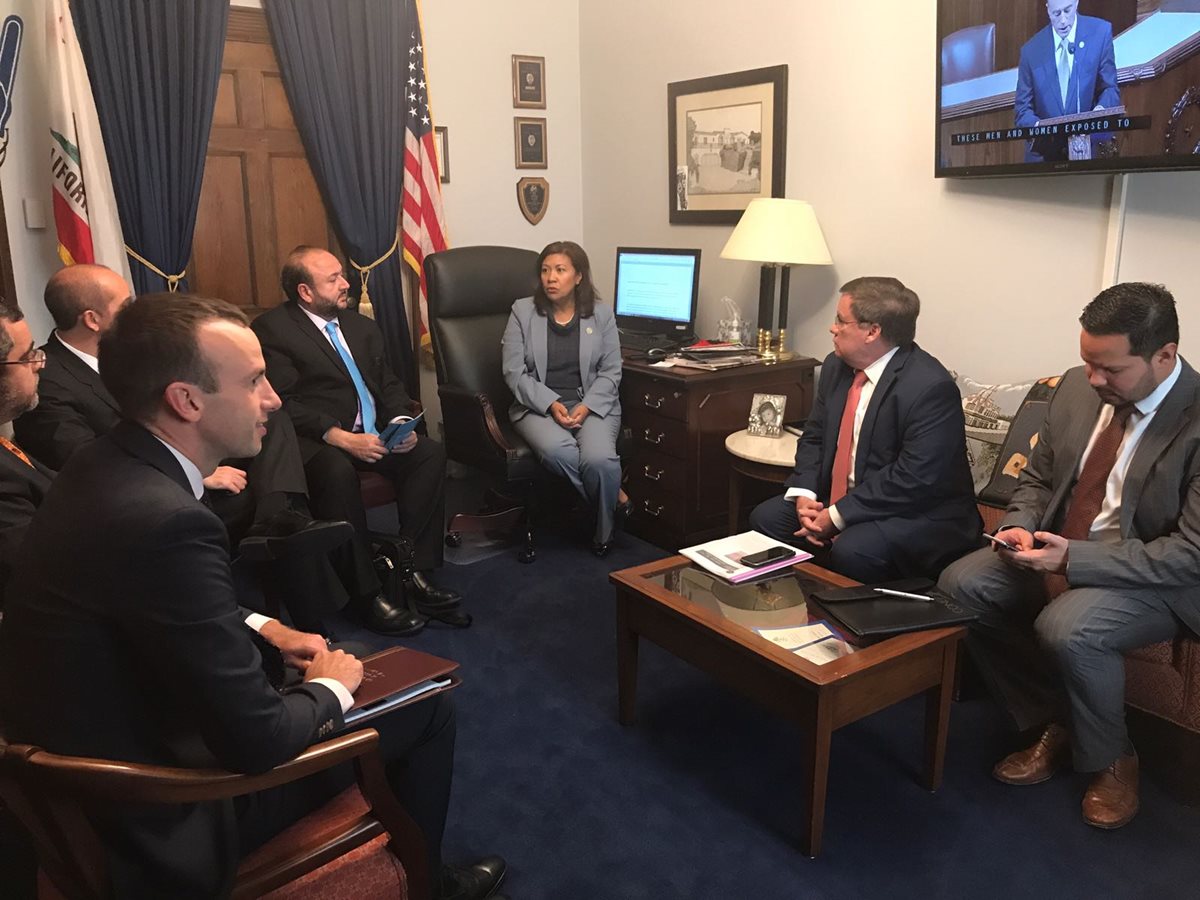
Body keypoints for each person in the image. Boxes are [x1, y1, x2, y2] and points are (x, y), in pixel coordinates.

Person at [0, 294, 507, 899]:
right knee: (422, 702)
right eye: (254, 381)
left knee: (334, 653)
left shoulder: (103, 467)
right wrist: (331, 688)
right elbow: (258, 740)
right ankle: (429, 886)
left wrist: (265, 625)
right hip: (160, 809)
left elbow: (149, 595)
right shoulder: (166, 521)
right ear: (186, 401)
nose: (273, 399)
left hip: (99, 752)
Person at [938, 282, 1200, 831]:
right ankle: (1052, 720)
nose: (1093, 379)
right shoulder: (1077, 389)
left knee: (1070, 626)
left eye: (1110, 369)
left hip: (1159, 576)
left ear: (1165, 355)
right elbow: (1036, 479)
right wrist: (1018, 526)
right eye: (1087, 362)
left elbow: (1189, 555)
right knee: (961, 584)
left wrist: (1070, 561)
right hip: (1059, 544)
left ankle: (1113, 756)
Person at [11, 264, 357, 635]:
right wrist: (202, 472)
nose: (136, 308)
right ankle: (305, 621)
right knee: (283, 505)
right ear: (93, 319)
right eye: (126, 303)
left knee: (275, 439)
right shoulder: (48, 379)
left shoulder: (142, 352)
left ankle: (278, 529)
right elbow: (84, 455)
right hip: (158, 494)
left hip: (191, 471)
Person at [252, 247, 463, 625]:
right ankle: (365, 593)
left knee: (429, 455)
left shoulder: (361, 326)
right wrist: (337, 436)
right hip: (321, 441)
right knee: (335, 472)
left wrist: (400, 421)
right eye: (333, 279)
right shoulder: (273, 330)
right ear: (305, 292)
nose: (345, 283)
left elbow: (388, 382)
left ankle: (412, 570)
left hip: (376, 433)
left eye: (341, 275)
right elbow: (283, 402)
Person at [748, 276, 980, 583]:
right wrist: (805, 494)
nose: (833, 328)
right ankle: (795, 609)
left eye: (841, 320)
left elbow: (912, 478)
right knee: (766, 519)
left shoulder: (929, 388)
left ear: (872, 331)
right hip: (845, 499)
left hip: (915, 512)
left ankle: (858, 623)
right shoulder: (836, 366)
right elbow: (814, 436)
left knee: (854, 549)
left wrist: (835, 516)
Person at [501, 241, 627, 556]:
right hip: (538, 407)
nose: (551, 278)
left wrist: (586, 406)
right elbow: (514, 373)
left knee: (600, 460)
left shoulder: (601, 314)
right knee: (560, 450)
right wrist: (550, 403)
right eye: (545, 270)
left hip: (593, 404)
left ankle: (601, 535)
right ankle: (613, 502)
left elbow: (611, 371)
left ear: (579, 276)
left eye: (560, 270)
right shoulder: (522, 311)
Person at [1014, 0, 1120, 162]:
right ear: (1048, 10)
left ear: (1076, 3)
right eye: (1056, 14)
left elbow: (1110, 88)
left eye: (1067, 11)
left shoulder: (1100, 33)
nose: (1063, 20)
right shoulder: (1031, 51)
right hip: (1045, 158)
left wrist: (1099, 112)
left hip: (1087, 151)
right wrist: (1040, 129)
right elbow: (1022, 110)